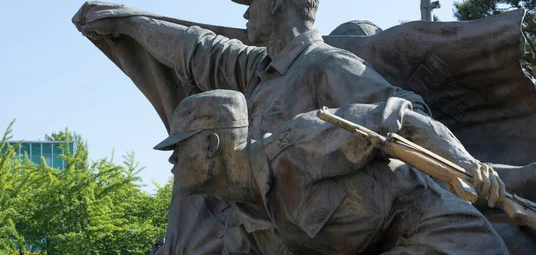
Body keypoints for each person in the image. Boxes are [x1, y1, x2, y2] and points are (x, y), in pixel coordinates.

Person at [78, 0, 505, 253]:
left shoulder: (326, 66)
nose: (246, 16)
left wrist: (467, 167)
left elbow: (405, 116)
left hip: (383, 227)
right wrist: (130, 23)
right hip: (289, 227)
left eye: (252, 4)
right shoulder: (258, 68)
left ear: (278, 3)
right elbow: (198, 49)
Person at [155, 89, 509, 255]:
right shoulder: (245, 223)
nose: (172, 162)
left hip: (444, 237)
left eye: (179, 148)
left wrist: (465, 165)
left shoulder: (298, 144)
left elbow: (403, 121)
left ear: (212, 145)